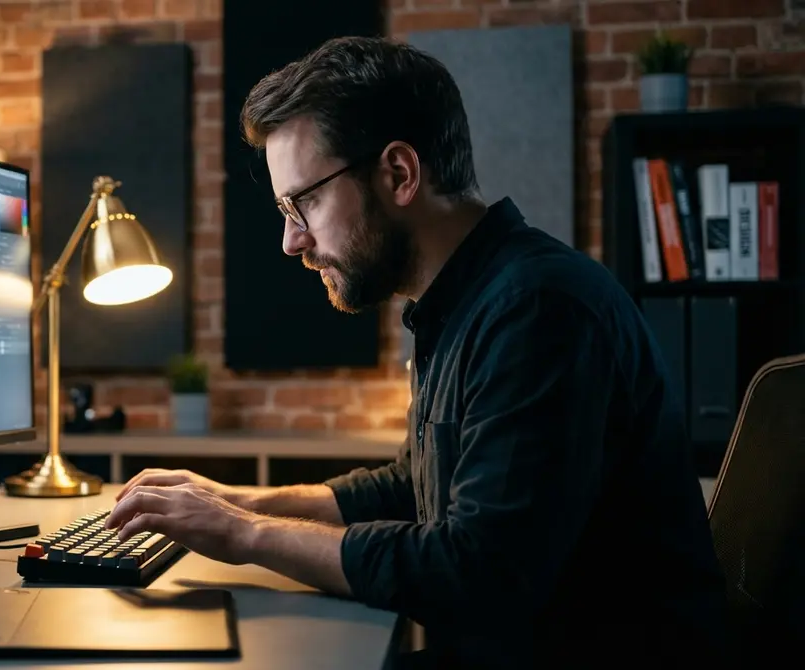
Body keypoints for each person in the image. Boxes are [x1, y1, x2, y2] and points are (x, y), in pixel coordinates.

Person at [104, 36, 729, 669]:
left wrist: (247, 535)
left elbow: (476, 572)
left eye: (305, 202)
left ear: (399, 174)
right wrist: (235, 500)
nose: (292, 241)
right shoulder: (464, 302)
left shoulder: (538, 309)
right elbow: (412, 487)